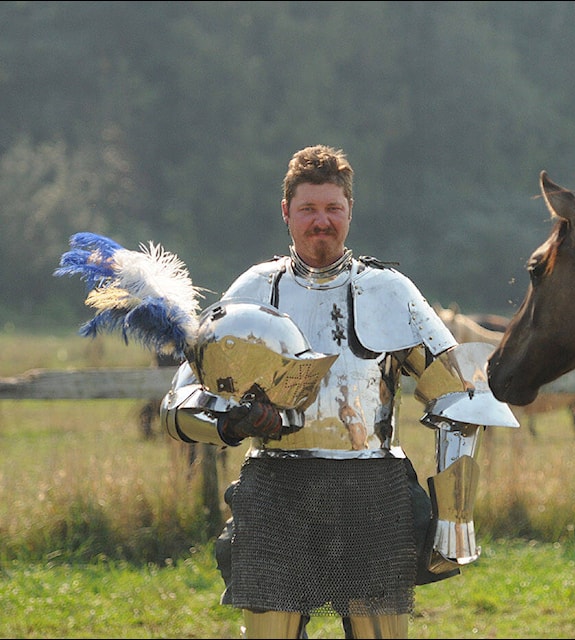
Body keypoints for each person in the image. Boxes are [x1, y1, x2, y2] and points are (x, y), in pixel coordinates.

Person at [159, 144, 518, 639]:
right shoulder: (252, 291)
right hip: (277, 491)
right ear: (286, 212)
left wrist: (456, 520)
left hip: (371, 495)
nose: (321, 221)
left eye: (332, 208)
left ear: (350, 210)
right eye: (308, 209)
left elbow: (461, 395)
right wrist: (231, 421)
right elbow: (178, 403)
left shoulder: (390, 291)